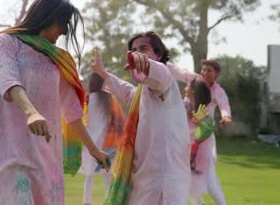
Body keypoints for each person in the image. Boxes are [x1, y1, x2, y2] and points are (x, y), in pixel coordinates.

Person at [0, 0, 109, 205]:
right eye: (63, 23)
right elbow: (8, 80)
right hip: (11, 155)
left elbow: (73, 111)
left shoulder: (57, 59)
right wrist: (31, 112)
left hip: (47, 158)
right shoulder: (6, 42)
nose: (65, 31)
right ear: (48, 17)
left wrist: (94, 150)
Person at [91, 31, 190, 205]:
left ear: (158, 55)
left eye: (143, 48)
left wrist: (146, 65)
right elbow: (127, 90)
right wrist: (103, 73)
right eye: (134, 50)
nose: (137, 53)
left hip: (165, 184)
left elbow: (158, 72)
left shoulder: (165, 81)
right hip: (143, 179)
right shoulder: (141, 93)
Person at [167, 60, 231, 204]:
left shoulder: (218, 91)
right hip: (187, 139)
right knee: (187, 177)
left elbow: (224, 104)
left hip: (203, 137)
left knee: (209, 178)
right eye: (203, 70)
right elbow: (176, 70)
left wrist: (226, 116)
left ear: (216, 74)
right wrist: (159, 58)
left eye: (209, 70)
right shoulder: (193, 80)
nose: (205, 73)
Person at [79, 73, 126, 205]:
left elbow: (83, 119)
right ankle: (110, 201)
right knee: (108, 175)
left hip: (91, 141)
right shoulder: (110, 99)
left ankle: (86, 202)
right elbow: (118, 121)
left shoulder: (87, 98)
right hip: (107, 141)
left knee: (89, 176)